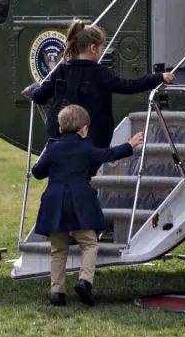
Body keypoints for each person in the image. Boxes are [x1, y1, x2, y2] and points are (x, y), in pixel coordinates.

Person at [31, 104, 145, 306]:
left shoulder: (52, 147)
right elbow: (108, 155)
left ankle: (57, 292)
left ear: (59, 128)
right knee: (89, 243)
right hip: (80, 202)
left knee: (58, 249)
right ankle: (84, 281)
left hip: (54, 201)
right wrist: (130, 144)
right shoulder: (86, 147)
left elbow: (38, 172)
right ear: (84, 129)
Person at [25, 20, 175, 149]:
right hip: (91, 138)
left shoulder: (62, 70)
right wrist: (159, 77)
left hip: (59, 136)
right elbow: (129, 86)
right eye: (102, 49)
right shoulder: (100, 72)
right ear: (93, 48)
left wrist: (32, 89)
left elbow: (40, 96)